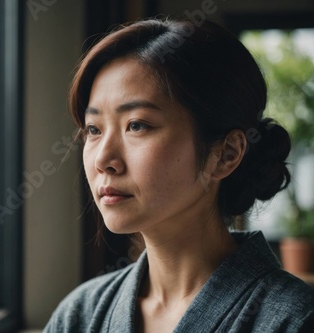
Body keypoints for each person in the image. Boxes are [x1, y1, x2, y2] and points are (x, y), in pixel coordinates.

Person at [44, 18, 314, 332]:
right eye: (94, 130)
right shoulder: (80, 315)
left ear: (225, 155)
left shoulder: (293, 320)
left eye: (137, 125)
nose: (104, 159)